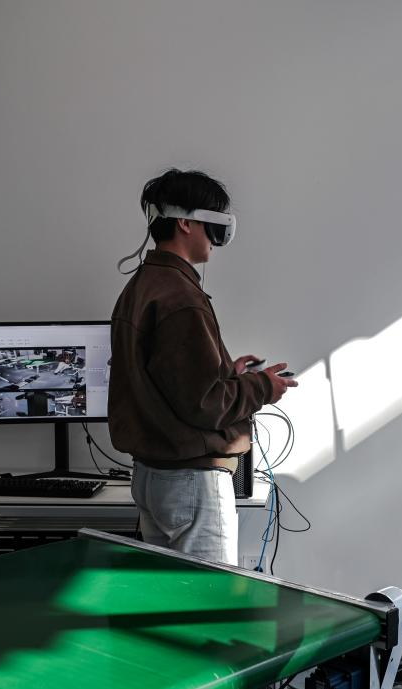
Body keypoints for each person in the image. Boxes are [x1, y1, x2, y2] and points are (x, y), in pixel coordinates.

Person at [108, 168, 297, 565]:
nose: (217, 236)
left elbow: (163, 379)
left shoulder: (142, 286)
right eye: (213, 221)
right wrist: (263, 387)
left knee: (171, 594)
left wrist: (227, 370)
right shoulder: (180, 297)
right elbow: (206, 403)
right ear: (185, 223)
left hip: (153, 477)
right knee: (207, 596)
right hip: (190, 483)